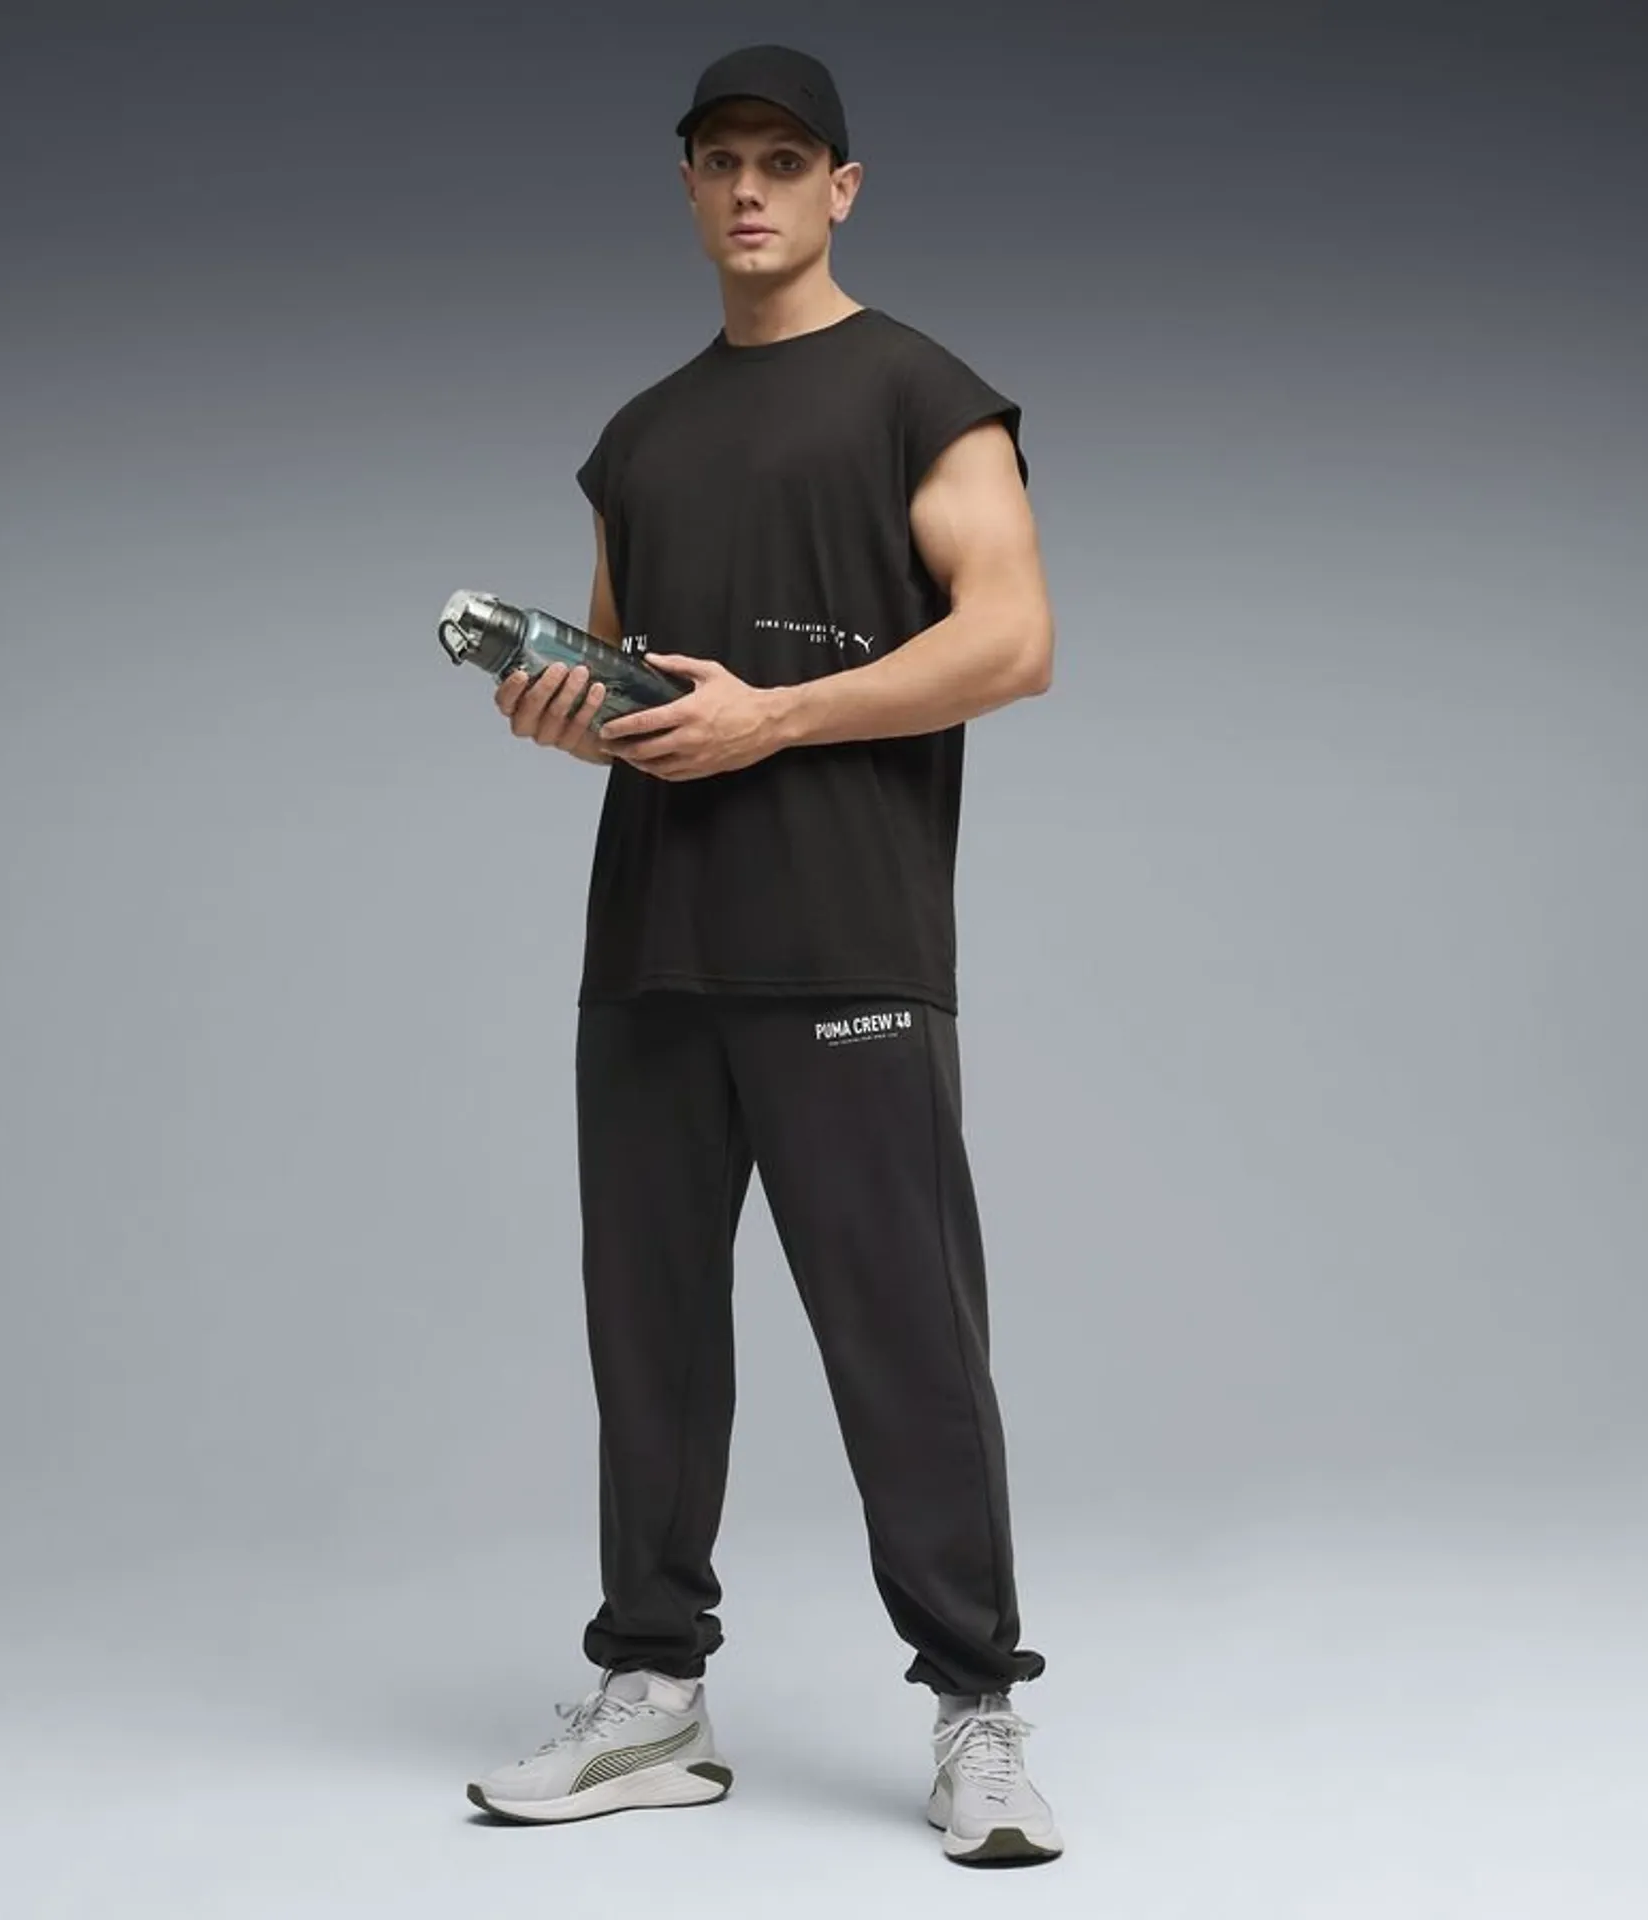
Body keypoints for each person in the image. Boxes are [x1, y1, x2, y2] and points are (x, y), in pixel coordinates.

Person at [464, 44, 1062, 1866]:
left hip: (846, 941)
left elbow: (1015, 639)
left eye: (785, 160)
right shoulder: (639, 437)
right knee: (646, 1338)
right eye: (721, 159)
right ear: (686, 186)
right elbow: (643, 686)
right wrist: (570, 713)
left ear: (842, 188)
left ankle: (977, 1711)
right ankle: (651, 1694)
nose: (750, 187)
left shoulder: (923, 394)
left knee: (904, 1335)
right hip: (652, 949)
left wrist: (777, 718)